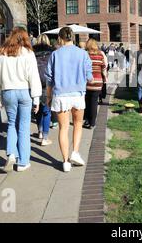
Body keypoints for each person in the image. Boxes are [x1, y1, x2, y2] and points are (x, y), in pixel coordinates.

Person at [0, 27, 42, 173]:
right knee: (24, 127)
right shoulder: (28, 53)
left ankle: (11, 153)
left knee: (12, 124)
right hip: (24, 91)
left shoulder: (0, 53)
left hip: (8, 91)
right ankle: (23, 162)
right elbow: (34, 77)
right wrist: (37, 98)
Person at [45, 27, 93, 173]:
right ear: (73, 37)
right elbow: (89, 77)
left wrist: (48, 97)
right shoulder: (83, 54)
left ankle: (65, 161)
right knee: (78, 124)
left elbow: (49, 79)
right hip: (77, 94)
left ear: (60, 38)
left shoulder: (55, 54)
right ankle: (75, 153)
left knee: (63, 128)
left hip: (60, 95)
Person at [33, 34, 55, 147]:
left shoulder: (32, 52)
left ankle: (40, 131)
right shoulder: (52, 52)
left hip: (35, 82)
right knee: (47, 111)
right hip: (48, 83)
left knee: (37, 110)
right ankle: (45, 137)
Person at [84, 39, 107, 129]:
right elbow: (103, 68)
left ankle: (87, 120)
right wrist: (105, 79)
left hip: (87, 82)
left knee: (87, 102)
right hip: (98, 81)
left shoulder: (85, 55)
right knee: (94, 102)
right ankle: (92, 123)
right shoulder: (100, 55)